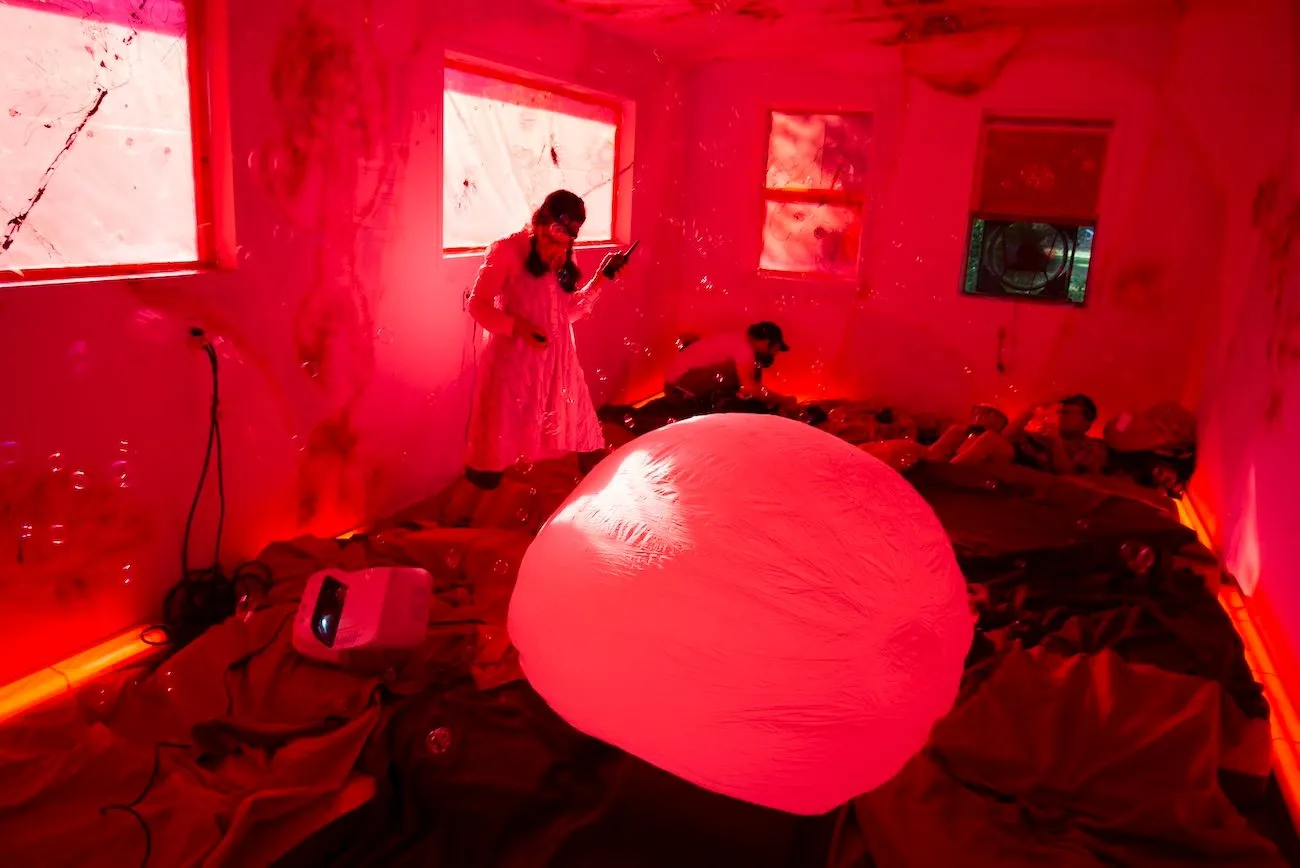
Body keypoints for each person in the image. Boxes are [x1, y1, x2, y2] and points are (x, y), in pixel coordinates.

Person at [457, 190, 633, 505]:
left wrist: (602, 279)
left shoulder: (564, 253)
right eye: (557, 234)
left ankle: (588, 510)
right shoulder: (508, 250)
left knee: (578, 436)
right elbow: (478, 305)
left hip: (558, 360)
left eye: (569, 239)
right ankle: (473, 516)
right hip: (513, 364)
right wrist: (518, 328)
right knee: (496, 451)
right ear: (543, 219)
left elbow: (569, 312)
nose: (561, 246)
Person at [950, 393, 1108, 474]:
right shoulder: (1045, 436)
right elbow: (1006, 435)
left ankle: (945, 472)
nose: (1061, 416)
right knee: (957, 432)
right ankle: (931, 461)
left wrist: (1057, 443)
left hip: (1029, 468)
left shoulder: (1093, 446)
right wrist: (1033, 407)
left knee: (989, 440)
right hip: (1015, 455)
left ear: (1087, 419)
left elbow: (1068, 474)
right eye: (1060, 412)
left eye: (1067, 412)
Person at [663, 321, 791, 410]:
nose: (774, 354)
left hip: (675, 382)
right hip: (678, 386)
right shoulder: (744, 349)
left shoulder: (738, 340)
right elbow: (749, 389)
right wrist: (783, 401)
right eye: (775, 349)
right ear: (765, 341)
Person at [925, 404, 1010, 462]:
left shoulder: (991, 439)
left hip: (962, 472)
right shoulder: (961, 433)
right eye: (978, 413)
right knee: (957, 431)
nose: (979, 417)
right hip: (951, 466)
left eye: (985, 414)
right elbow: (931, 454)